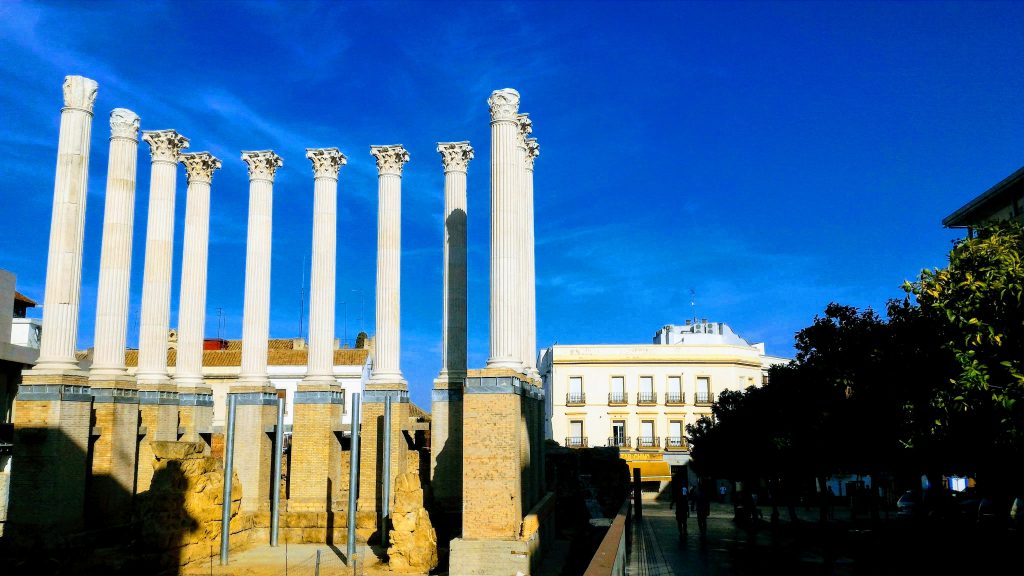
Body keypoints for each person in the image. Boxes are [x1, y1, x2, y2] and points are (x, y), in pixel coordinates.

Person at [669, 474, 689, 539]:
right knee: (683, 522)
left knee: (680, 522)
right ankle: (684, 531)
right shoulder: (683, 496)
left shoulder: (677, 495)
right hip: (682, 510)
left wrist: (671, 505)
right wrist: (688, 511)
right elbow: (686, 503)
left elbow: (673, 500)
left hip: (679, 510)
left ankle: (681, 532)